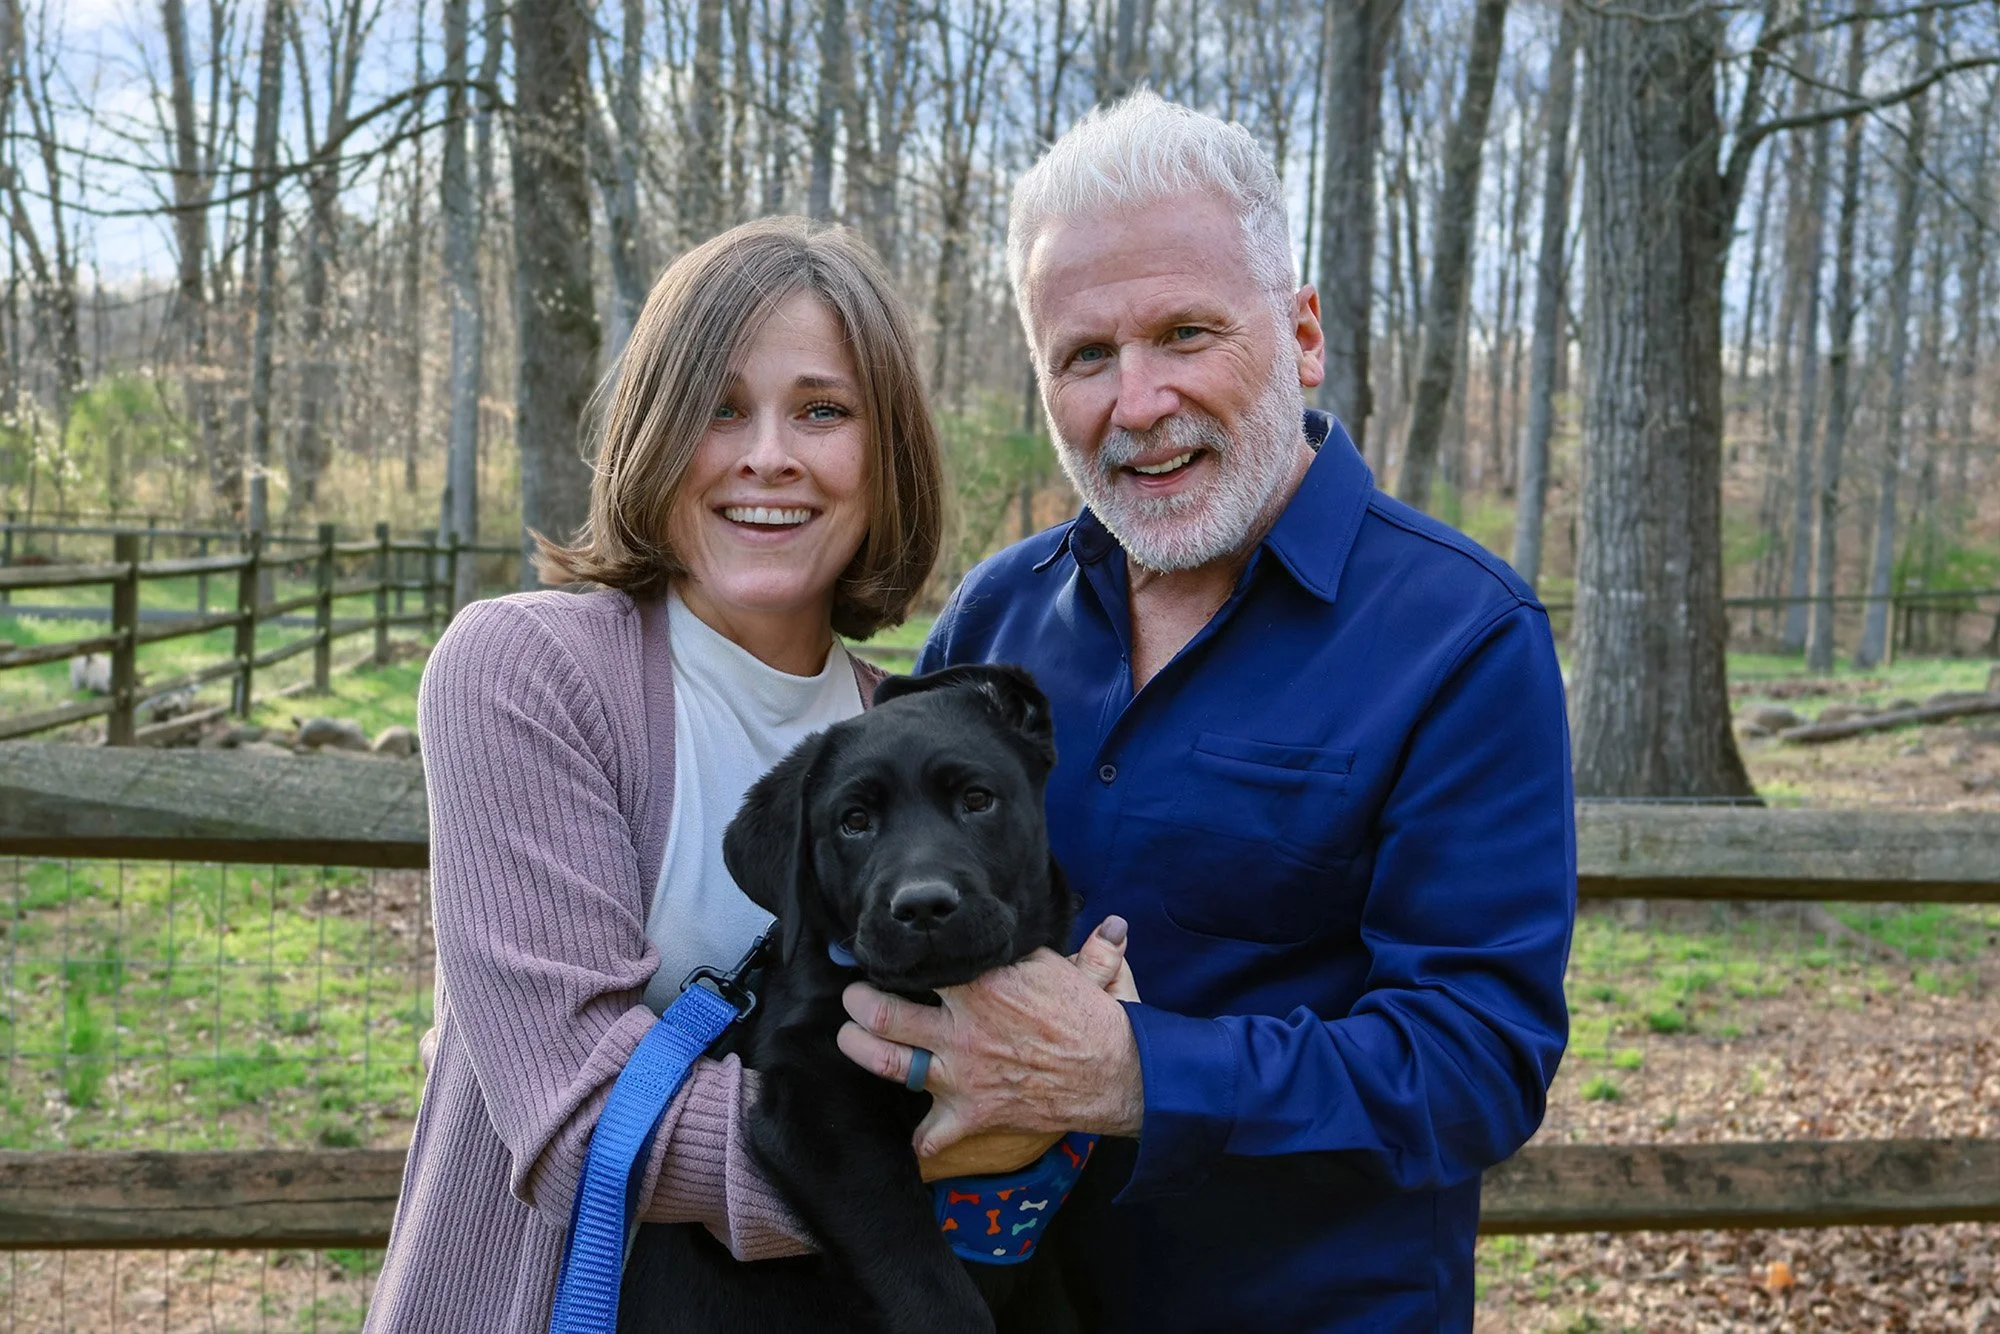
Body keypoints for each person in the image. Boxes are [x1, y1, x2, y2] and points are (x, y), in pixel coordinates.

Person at [835, 93, 1576, 1330]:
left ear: (1298, 335)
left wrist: (1128, 1069)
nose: (1136, 402)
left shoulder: (1462, 635)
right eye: (1084, 356)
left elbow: (1474, 1062)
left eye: (1184, 332)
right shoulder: (993, 616)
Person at [365, 217, 1131, 1332]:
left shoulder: (903, 734)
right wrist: (962, 1130)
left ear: (884, 456)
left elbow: (1011, 1016)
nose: (767, 453)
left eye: (822, 409)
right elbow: (581, 1120)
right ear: (654, 434)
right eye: (719, 407)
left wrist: (1083, 1033)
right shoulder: (529, 671)